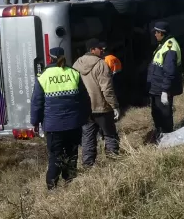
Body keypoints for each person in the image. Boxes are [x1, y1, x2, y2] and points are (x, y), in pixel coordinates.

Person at [30, 47, 89, 190]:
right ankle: (70, 183)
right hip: (73, 124)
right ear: (64, 56)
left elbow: (37, 102)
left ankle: (52, 187)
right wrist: (85, 117)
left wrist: (35, 122)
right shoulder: (73, 73)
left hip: (53, 125)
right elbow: (84, 99)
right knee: (72, 154)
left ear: (49, 58)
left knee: (55, 156)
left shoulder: (43, 76)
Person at [73, 39, 120, 166]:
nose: (102, 50)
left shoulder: (77, 64)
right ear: (92, 50)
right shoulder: (101, 64)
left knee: (88, 136)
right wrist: (114, 106)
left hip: (85, 108)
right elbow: (107, 89)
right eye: (100, 48)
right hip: (102, 107)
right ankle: (113, 162)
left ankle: (88, 164)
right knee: (110, 134)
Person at [147, 22, 182, 138]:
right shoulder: (163, 44)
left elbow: (169, 71)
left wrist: (165, 91)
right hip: (156, 87)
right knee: (156, 113)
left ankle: (168, 137)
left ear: (163, 33)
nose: (155, 35)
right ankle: (160, 134)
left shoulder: (170, 47)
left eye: (157, 32)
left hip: (162, 87)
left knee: (165, 114)